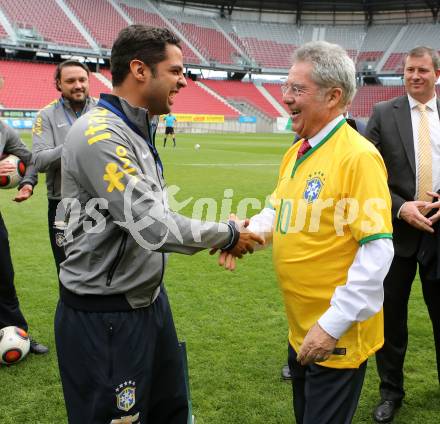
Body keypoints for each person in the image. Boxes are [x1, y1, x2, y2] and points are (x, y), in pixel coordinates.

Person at [55, 25, 263, 424]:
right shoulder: (100, 135)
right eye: (176, 70)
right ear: (140, 70)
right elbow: (154, 227)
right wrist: (230, 232)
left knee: (171, 412)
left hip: (148, 303)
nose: (184, 81)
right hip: (106, 315)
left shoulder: (137, 126)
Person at [218, 41, 394, 423]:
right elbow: (278, 208)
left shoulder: (357, 157)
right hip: (300, 327)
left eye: (297, 90)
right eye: (286, 87)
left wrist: (331, 327)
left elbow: (377, 251)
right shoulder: (298, 151)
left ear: (334, 96)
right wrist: (245, 234)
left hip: (335, 335)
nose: (285, 98)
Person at [366, 46, 440, 423]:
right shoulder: (382, 113)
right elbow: (370, 177)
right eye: (409, 70)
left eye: (422, 70)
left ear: (436, 74)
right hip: (395, 234)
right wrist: (400, 206)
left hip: (439, 236)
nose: (414, 76)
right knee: (391, 320)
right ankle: (390, 392)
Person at [32, 60, 97, 275]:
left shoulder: (104, 110)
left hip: (102, 202)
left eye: (82, 80)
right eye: (70, 81)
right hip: (63, 206)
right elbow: (40, 161)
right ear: (58, 84)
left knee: (102, 268)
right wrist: (74, 143)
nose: (78, 85)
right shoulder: (46, 115)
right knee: (67, 269)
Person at [0, 118, 48, 355]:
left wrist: (27, 183)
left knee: (4, 277)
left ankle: (18, 336)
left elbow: (31, 160)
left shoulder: (3, 129)